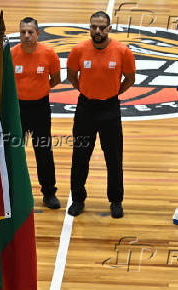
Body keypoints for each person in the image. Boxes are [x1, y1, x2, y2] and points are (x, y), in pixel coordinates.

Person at [67, 11, 135, 218]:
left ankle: (116, 200)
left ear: (109, 29)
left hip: (110, 109)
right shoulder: (78, 50)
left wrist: (114, 92)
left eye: (101, 28)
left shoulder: (122, 51)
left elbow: (130, 78)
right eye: (93, 27)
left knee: (113, 157)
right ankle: (78, 199)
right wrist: (86, 91)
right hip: (85, 108)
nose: (97, 31)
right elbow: (72, 76)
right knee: (80, 156)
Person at [11, 17, 61, 209]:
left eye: (30, 32)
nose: (26, 35)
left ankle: (49, 193)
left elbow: (55, 79)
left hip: (40, 108)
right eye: (23, 32)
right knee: (15, 151)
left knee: (44, 151)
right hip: (17, 109)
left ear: (37, 33)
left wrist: (39, 89)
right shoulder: (11, 54)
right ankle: (14, 192)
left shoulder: (48, 53)